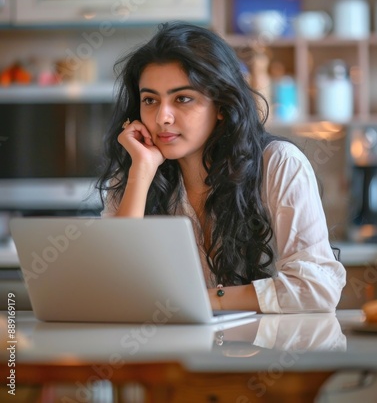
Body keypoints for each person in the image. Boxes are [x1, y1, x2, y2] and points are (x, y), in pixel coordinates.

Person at [97, 21, 346, 314]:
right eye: (150, 100)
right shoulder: (137, 170)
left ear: (221, 106)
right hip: (173, 351)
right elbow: (110, 287)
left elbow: (316, 289)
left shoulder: (279, 163)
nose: (162, 117)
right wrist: (140, 173)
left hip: (267, 353)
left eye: (183, 99)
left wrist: (203, 299)